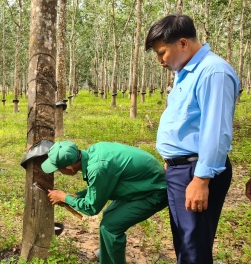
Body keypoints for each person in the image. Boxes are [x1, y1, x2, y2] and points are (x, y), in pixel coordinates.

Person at [145, 14, 240, 263]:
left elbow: (216, 130)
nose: (160, 61)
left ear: (183, 44)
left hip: (196, 172)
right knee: (185, 242)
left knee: (193, 248)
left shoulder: (213, 73)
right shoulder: (186, 73)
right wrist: (171, 159)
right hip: (183, 169)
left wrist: (201, 179)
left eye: (162, 52)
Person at [42, 141, 168, 264]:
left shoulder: (97, 168)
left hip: (155, 191)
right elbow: (102, 185)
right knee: (109, 214)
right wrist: (78, 196)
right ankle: (106, 253)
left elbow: (91, 208)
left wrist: (64, 198)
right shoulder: (96, 150)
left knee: (110, 227)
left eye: (58, 169)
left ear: (69, 167)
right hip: (143, 183)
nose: (58, 172)